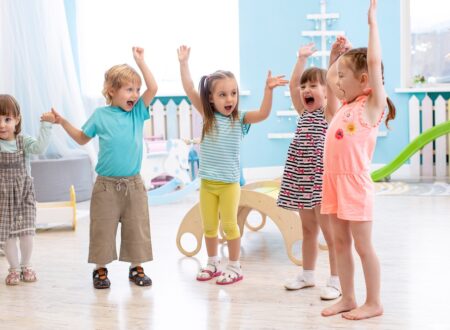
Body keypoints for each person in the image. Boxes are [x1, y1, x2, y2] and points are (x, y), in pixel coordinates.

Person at [177, 45, 288, 285]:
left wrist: (268, 90)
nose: (230, 99)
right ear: (210, 98)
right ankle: (213, 262)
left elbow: (264, 114)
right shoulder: (207, 117)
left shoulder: (240, 119)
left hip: (229, 184)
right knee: (209, 226)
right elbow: (188, 88)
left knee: (229, 224)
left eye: (233, 93)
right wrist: (184, 63)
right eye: (223, 94)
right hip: (207, 183)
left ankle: (235, 266)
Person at [52, 47, 158, 289]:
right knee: (102, 227)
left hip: (133, 183)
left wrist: (141, 62)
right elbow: (81, 138)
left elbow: (153, 88)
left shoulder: (137, 112)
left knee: (136, 226)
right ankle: (100, 269)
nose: (136, 94)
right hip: (106, 186)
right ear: (112, 91)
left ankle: (136, 267)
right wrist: (63, 122)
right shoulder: (100, 115)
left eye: (137, 89)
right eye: (129, 89)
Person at [320, 0, 396, 319]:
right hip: (333, 182)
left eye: (344, 76)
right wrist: (335, 58)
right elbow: (328, 80)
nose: (337, 82)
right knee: (339, 243)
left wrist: (372, 24)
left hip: (355, 184)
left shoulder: (371, 105)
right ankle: (348, 297)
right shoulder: (343, 105)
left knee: (362, 245)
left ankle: (373, 301)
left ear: (365, 79)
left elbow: (374, 61)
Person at [278, 38, 350, 300]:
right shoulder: (303, 111)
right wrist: (301, 59)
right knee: (308, 229)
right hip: (300, 178)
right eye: (304, 86)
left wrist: (333, 58)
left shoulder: (330, 113)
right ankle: (308, 275)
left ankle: (336, 280)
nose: (306, 90)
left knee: (330, 234)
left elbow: (332, 83)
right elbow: (293, 86)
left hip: (321, 181)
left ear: (326, 90)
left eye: (313, 86)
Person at [0, 94, 55, 285]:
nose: (2, 125)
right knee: (7, 235)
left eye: (7, 119)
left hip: (24, 194)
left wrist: (46, 126)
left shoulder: (23, 141)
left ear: (17, 120)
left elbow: (40, 148)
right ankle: (13, 268)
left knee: (27, 232)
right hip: (2, 197)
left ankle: (26, 265)